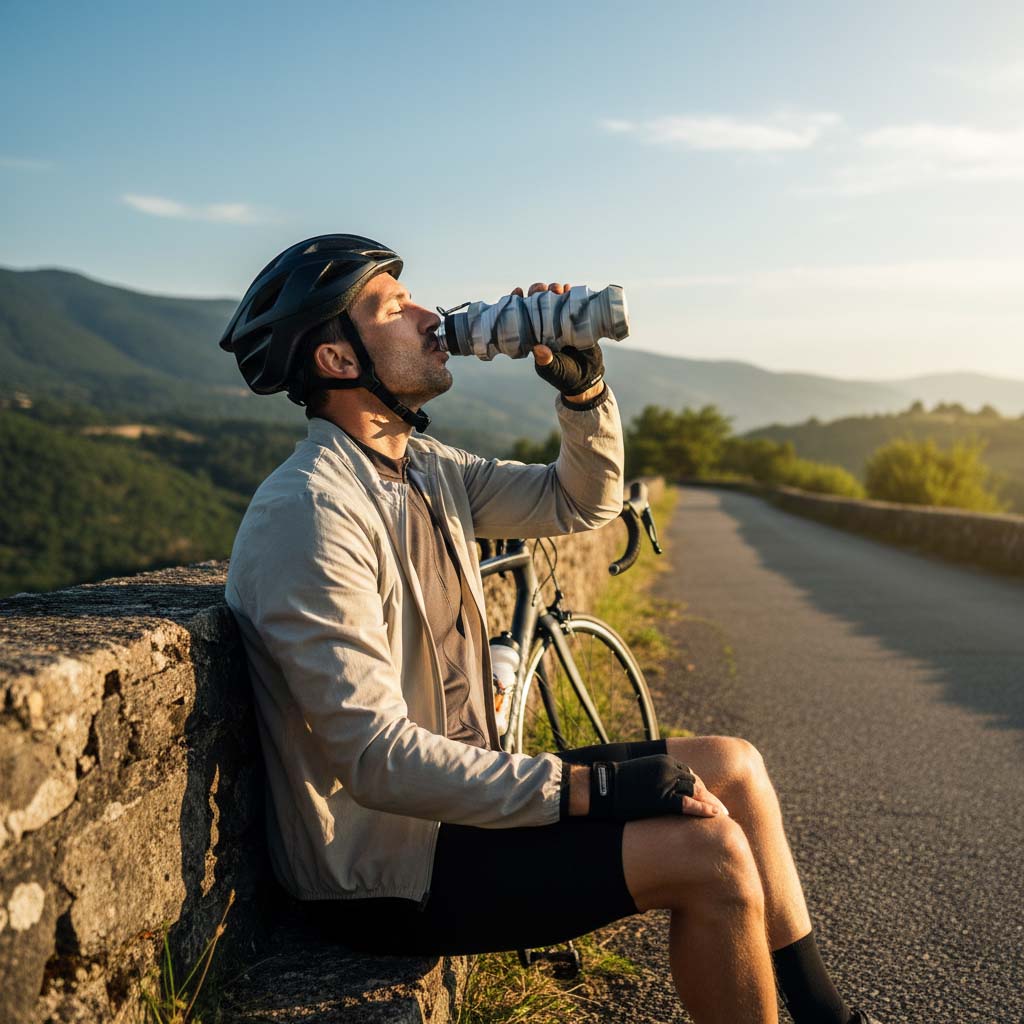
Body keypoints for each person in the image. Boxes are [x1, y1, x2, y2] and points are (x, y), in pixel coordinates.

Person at [219, 234, 883, 1024]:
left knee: (735, 768)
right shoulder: (310, 512)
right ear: (337, 359)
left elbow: (579, 501)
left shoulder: (427, 470)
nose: (430, 316)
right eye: (396, 308)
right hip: (387, 865)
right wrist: (588, 791)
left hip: (459, 803)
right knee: (710, 856)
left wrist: (583, 393)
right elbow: (373, 756)